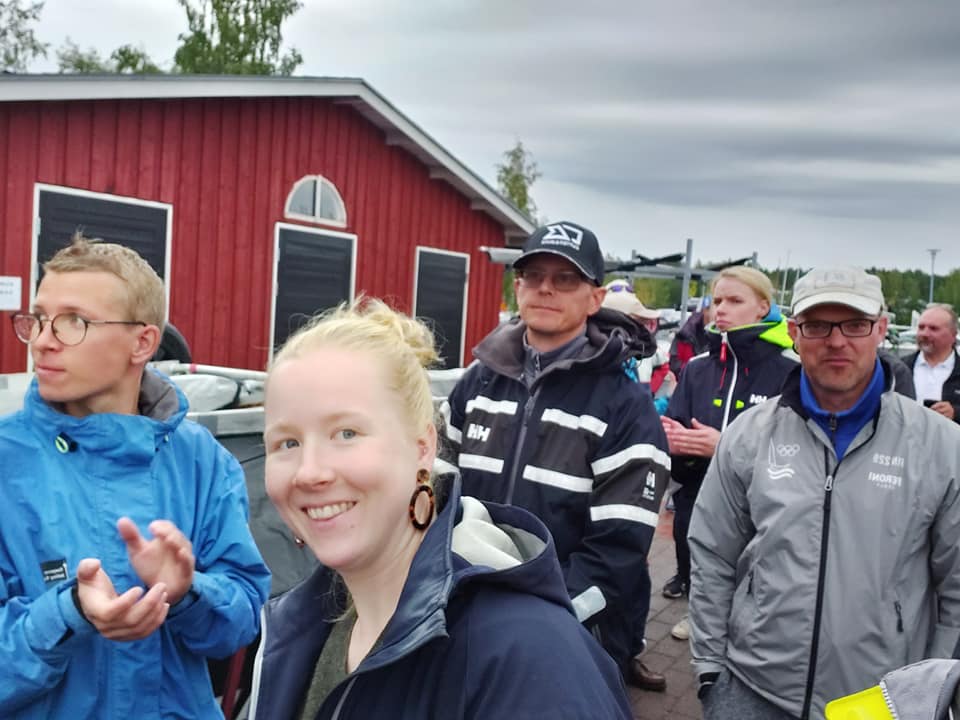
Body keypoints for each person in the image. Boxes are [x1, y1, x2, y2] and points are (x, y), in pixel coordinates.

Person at [250, 298, 632, 719]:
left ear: (423, 447)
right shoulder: (298, 630)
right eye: (287, 442)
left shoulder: (532, 661)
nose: (309, 472)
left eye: (346, 433)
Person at [0, 237, 271, 718]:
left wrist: (187, 593)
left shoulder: (203, 461)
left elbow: (243, 620)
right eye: (39, 318)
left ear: (142, 343)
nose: (42, 340)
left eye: (73, 321)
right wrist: (68, 612)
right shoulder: (7, 462)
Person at [688, 266, 960, 720]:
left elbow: (956, 587)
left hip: (879, 700)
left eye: (854, 324)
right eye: (817, 325)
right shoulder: (749, 434)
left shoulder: (942, 445)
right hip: (753, 689)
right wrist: (711, 672)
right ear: (795, 333)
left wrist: (931, 692)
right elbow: (712, 554)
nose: (836, 341)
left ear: (881, 329)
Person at [442, 221, 671, 692]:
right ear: (518, 288)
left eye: (566, 278)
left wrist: (534, 620)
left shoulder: (626, 407)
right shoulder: (475, 384)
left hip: (562, 636)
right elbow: (435, 492)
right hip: (460, 613)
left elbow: (617, 552)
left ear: (595, 298)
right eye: (534, 275)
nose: (546, 288)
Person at [660, 266, 797, 643]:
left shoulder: (791, 370)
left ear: (763, 307)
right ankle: (699, 613)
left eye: (735, 300)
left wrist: (723, 446)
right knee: (696, 560)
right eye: (717, 300)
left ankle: (752, 628)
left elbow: (799, 450)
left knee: (754, 573)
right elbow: (676, 424)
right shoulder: (697, 368)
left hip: (761, 501)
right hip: (696, 492)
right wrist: (673, 442)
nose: (721, 309)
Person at [603, 278, 676, 410]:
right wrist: (668, 399)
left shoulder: (627, 359)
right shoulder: (615, 365)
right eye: (639, 322)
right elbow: (637, 414)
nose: (642, 329)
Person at [906, 303, 960, 422]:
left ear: (953, 335)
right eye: (921, 327)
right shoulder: (899, 368)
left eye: (933, 328)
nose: (924, 334)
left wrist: (955, 413)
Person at [668, 296, 713, 377]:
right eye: (714, 308)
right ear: (705, 310)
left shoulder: (723, 334)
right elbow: (674, 364)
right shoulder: (685, 334)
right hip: (688, 380)